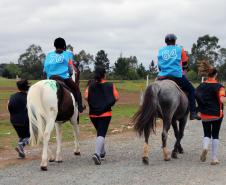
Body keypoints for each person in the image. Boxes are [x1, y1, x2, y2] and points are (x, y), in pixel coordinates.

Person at [157, 33, 200, 120]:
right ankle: (193, 113)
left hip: (161, 76)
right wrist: (184, 69)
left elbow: (159, 66)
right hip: (176, 76)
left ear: (166, 42)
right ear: (175, 41)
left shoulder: (161, 50)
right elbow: (184, 64)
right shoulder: (180, 49)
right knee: (192, 90)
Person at [84, 67, 119, 165]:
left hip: (93, 114)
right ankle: (97, 154)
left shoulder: (90, 86)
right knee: (101, 134)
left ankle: (102, 152)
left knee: (100, 133)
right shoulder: (110, 85)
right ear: (104, 74)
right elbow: (116, 97)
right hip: (105, 114)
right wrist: (108, 102)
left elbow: (86, 96)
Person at [196, 61, 226, 165]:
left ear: (207, 74)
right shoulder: (220, 87)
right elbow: (222, 100)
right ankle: (214, 158)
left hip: (204, 115)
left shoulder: (201, 86)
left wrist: (199, 109)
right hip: (217, 115)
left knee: (207, 134)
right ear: (215, 75)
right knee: (215, 135)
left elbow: (196, 95)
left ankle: (205, 147)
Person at [43, 37, 85, 113]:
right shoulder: (68, 54)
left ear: (55, 45)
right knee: (77, 89)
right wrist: (70, 73)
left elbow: (45, 69)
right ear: (64, 46)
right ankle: (80, 107)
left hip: (50, 78)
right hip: (63, 77)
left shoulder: (49, 54)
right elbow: (70, 67)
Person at [8, 79, 30, 158]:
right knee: (30, 136)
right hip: (24, 121)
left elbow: (9, 107)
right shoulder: (29, 97)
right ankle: (20, 146)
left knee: (22, 136)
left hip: (14, 121)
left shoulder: (12, 96)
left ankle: (21, 154)